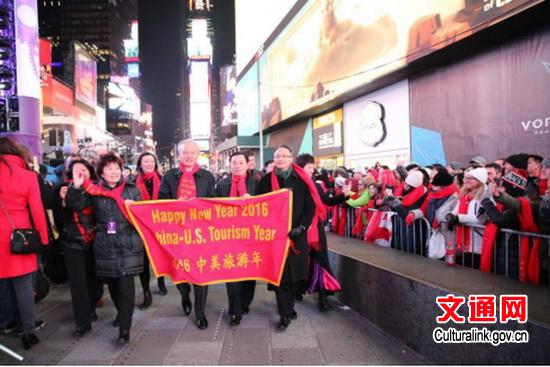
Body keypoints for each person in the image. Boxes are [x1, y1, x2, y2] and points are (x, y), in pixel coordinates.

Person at [68, 152, 144, 344]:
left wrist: (135, 209)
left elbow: (144, 217)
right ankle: (121, 314)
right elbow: (76, 206)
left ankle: (124, 330)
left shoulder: (132, 190)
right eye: (109, 168)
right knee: (114, 286)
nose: (114, 172)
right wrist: (76, 187)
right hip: (105, 246)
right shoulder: (93, 191)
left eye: (117, 168)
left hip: (129, 243)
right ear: (101, 173)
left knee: (126, 287)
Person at [158, 139, 216, 330]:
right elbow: (161, 201)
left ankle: (200, 313)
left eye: (192, 152)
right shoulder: (170, 176)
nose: (189, 156)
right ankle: (184, 294)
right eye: (185, 152)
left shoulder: (207, 176)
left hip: (201, 233)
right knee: (180, 270)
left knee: (201, 272)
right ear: (179, 154)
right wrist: (177, 204)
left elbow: (214, 203)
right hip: (177, 232)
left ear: (197, 154)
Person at [258, 145, 316, 330]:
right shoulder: (266, 181)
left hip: (296, 237)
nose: (281, 159)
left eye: (284, 155)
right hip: (274, 237)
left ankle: (289, 306)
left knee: (295, 276)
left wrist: (302, 227)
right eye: (277, 156)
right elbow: (257, 206)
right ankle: (284, 314)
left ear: (291, 159)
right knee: (280, 276)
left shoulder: (301, 180)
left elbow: (310, 207)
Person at [0, 137, 49, 350]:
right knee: (23, 287)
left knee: (3, 285)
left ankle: (5, 322)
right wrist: (43, 240)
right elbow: (38, 212)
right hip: (19, 236)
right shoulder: (28, 176)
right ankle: (28, 332)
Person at [295, 153, 349, 312]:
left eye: (313, 167)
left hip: (317, 229)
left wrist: (343, 196)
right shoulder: (295, 184)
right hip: (301, 229)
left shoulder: (316, 185)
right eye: (309, 167)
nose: (312, 170)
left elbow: (328, 201)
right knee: (301, 261)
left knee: (322, 261)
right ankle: (297, 291)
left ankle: (323, 298)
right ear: (300, 167)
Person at [215, 152, 259, 326]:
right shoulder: (222, 185)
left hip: (253, 236)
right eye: (234, 162)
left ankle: (245, 303)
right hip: (229, 236)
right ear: (230, 165)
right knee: (231, 273)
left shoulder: (256, 183)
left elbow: (269, 205)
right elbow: (213, 208)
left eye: (241, 162)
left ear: (248, 164)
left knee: (250, 272)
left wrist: (254, 201)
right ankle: (234, 311)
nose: (237, 165)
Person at [61, 159, 99, 338]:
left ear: (91, 172)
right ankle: (82, 322)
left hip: (96, 240)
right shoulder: (64, 190)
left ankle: (91, 308)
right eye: (76, 170)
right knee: (78, 285)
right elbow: (74, 205)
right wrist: (75, 188)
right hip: (73, 242)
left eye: (84, 169)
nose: (80, 172)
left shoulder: (99, 189)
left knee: (95, 280)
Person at [134, 152, 167, 310]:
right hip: (140, 226)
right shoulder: (133, 182)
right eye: (145, 161)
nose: (148, 163)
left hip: (159, 226)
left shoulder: (162, 179)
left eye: (151, 161)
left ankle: (161, 282)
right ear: (140, 164)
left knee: (158, 256)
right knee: (144, 261)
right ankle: (146, 292)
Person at [445, 167, 489, 268]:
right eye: (466, 178)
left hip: (477, 242)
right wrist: (450, 215)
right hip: (464, 243)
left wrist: (459, 218)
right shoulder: (465, 196)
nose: (466, 181)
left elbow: (481, 219)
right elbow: (455, 211)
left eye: (471, 178)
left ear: (480, 180)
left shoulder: (485, 197)